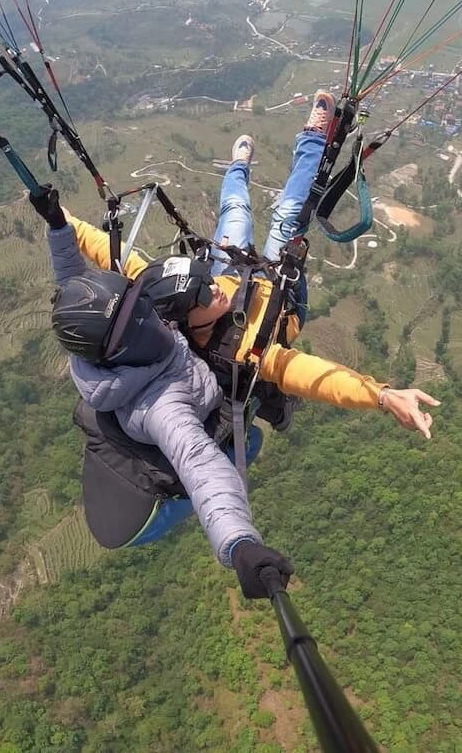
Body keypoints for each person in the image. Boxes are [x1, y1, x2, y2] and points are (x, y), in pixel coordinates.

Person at [57, 90, 441, 437]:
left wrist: (62, 223)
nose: (213, 288)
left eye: (203, 280)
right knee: (289, 215)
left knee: (235, 209)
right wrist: (383, 396)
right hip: (279, 294)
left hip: (234, 267)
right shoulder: (244, 350)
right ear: (190, 321)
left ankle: (238, 167)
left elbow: (114, 254)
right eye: (204, 294)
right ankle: (312, 138)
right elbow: (313, 376)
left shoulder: (171, 290)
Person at [32, 191, 293, 599]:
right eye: (136, 321)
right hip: (145, 515)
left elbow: (72, 284)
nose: (150, 316)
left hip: (120, 478)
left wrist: (58, 226)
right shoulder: (161, 406)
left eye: (140, 304)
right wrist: (239, 544)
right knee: (250, 438)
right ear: (117, 351)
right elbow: (201, 466)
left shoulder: (105, 337)